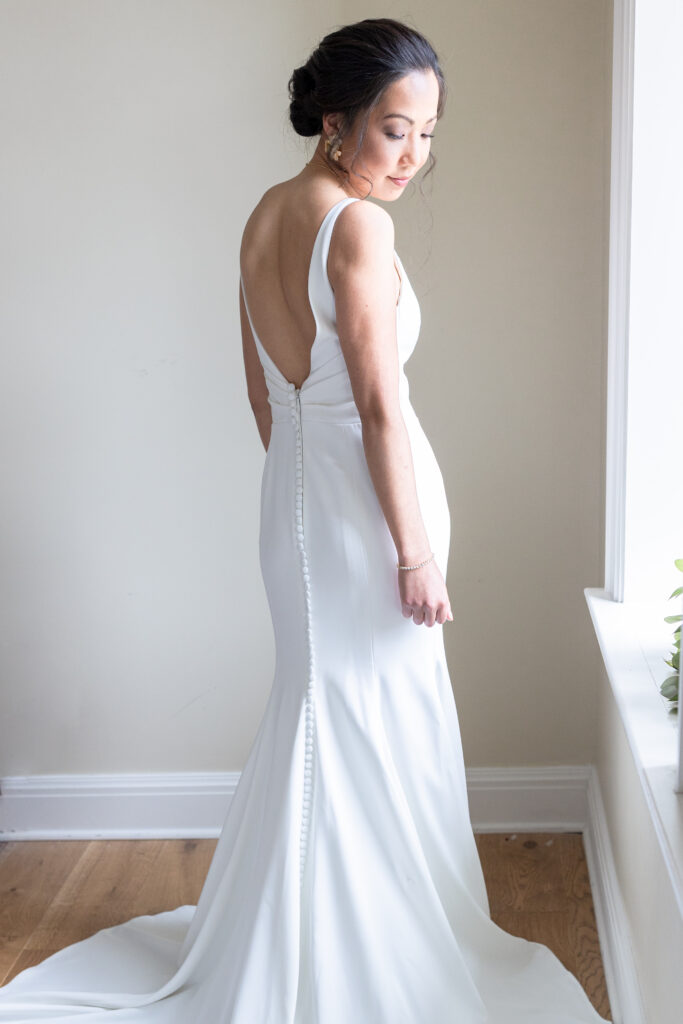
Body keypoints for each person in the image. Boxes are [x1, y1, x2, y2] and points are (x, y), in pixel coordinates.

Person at [0, 17, 610, 1024]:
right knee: (363, 722)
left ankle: (305, 937)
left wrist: (304, 492)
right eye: (391, 130)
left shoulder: (262, 214)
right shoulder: (356, 227)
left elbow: (259, 395)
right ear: (336, 122)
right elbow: (376, 405)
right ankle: (356, 966)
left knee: (326, 714)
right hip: (370, 518)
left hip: (297, 502)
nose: (412, 157)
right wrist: (411, 551)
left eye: (426, 133)